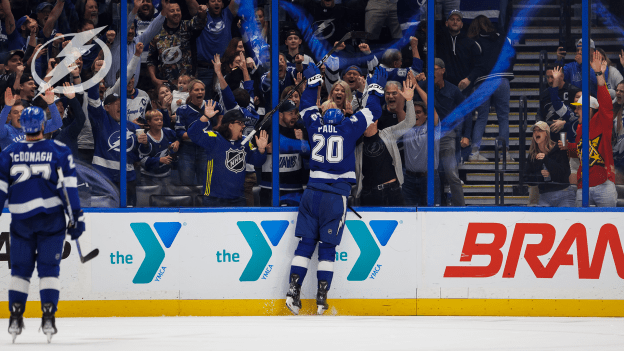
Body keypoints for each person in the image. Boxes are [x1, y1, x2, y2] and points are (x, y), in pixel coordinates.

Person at [285, 64, 387, 315]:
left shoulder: (313, 124)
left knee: (306, 244)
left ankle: (293, 292)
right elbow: (373, 111)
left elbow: (308, 104)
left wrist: (313, 81)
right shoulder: (349, 126)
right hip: (335, 196)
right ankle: (321, 298)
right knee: (327, 248)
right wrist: (375, 88)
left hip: (311, 194)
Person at [0, 105, 85, 343]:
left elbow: (1, 190)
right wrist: (76, 217)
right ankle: (48, 316)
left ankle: (15, 316)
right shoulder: (58, 149)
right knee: (49, 270)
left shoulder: (9, 152)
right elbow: (69, 188)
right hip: (52, 220)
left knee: (20, 271)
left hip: (21, 221)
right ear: (41, 125)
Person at [563, 51, 617, 207]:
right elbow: (584, 151)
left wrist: (599, 73)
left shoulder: (602, 121)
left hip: (603, 184)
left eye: (579, 108)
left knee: (609, 223)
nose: (576, 111)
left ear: (590, 109)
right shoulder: (580, 129)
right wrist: (568, 147)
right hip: (583, 185)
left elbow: (605, 101)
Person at [187, 103, 268, 207]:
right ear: (230, 125)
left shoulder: (246, 141)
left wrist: (261, 150)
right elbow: (193, 134)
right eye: (240, 123)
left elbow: (257, 162)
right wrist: (205, 117)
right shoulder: (214, 138)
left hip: (238, 198)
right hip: (213, 198)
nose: (243, 126)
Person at [355, 77, 416, 206]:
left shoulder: (388, 133)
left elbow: (410, 122)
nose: (363, 124)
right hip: (368, 193)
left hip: (392, 190)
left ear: (376, 121)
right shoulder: (357, 142)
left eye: (367, 121)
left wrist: (409, 100)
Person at [467, 15, 515, 162]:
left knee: (482, 117)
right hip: (502, 79)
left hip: (483, 81)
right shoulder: (503, 38)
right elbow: (513, 55)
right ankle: (504, 154)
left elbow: (473, 63)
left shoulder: (474, 40)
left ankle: (474, 152)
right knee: (503, 118)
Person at [257, 100, 310, 206]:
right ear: (280, 115)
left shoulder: (300, 130)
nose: (294, 116)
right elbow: (256, 158)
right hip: (270, 189)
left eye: (295, 113)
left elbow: (308, 154)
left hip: (295, 190)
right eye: (290, 113)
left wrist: (302, 141)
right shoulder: (267, 129)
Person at [195, 0, 240, 101]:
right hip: (204, 70)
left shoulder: (227, 14)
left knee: (226, 103)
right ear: (206, 4)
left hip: (225, 69)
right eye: (212, 1)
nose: (216, 3)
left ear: (223, 4)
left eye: (219, 1)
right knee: (203, 104)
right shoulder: (200, 17)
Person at [525, 121, 575, 207]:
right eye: (534, 131)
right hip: (544, 195)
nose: (536, 132)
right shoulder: (532, 155)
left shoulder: (558, 149)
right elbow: (527, 178)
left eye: (540, 130)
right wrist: (540, 175)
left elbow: (565, 173)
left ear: (546, 134)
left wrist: (546, 161)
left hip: (563, 193)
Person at [138, 110, 179, 187]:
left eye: (161, 119)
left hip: (166, 175)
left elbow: (179, 137)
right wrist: (159, 160)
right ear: (149, 122)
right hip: (148, 177)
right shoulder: (145, 138)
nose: (160, 121)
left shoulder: (168, 132)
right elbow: (142, 161)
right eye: (156, 120)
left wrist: (177, 142)